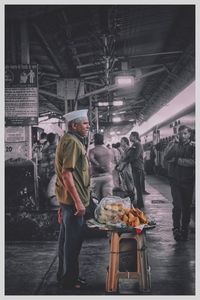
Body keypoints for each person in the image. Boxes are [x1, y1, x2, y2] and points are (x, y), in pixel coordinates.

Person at [55, 109, 90, 289]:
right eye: (85, 123)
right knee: (73, 242)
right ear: (74, 125)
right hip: (73, 202)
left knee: (65, 241)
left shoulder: (67, 139)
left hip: (66, 200)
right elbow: (66, 174)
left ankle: (63, 275)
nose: (88, 126)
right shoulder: (73, 143)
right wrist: (78, 202)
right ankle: (70, 279)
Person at [163, 125, 195, 241]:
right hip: (175, 180)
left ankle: (184, 228)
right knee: (177, 206)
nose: (182, 136)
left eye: (185, 133)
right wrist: (173, 144)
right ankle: (176, 228)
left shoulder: (193, 147)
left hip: (188, 181)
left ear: (189, 134)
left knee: (186, 207)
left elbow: (194, 162)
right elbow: (166, 157)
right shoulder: (174, 144)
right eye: (180, 134)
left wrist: (177, 161)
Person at [88, 133, 113, 201]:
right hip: (108, 177)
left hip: (97, 178)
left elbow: (90, 159)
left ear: (95, 140)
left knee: (96, 201)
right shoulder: (108, 150)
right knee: (107, 201)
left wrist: (98, 165)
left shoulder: (92, 150)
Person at [123, 131, 145, 209]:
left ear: (134, 136)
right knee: (137, 186)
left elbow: (135, 156)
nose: (129, 138)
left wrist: (126, 162)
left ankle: (140, 204)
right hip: (135, 168)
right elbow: (130, 155)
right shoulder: (134, 145)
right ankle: (139, 203)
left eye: (131, 136)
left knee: (138, 187)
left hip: (138, 168)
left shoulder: (138, 145)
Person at [116, 137, 135, 203]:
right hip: (124, 169)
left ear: (125, 142)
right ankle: (130, 198)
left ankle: (131, 198)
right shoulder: (125, 150)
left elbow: (126, 159)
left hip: (127, 169)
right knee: (126, 184)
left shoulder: (128, 149)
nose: (121, 143)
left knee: (129, 183)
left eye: (122, 141)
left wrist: (120, 165)